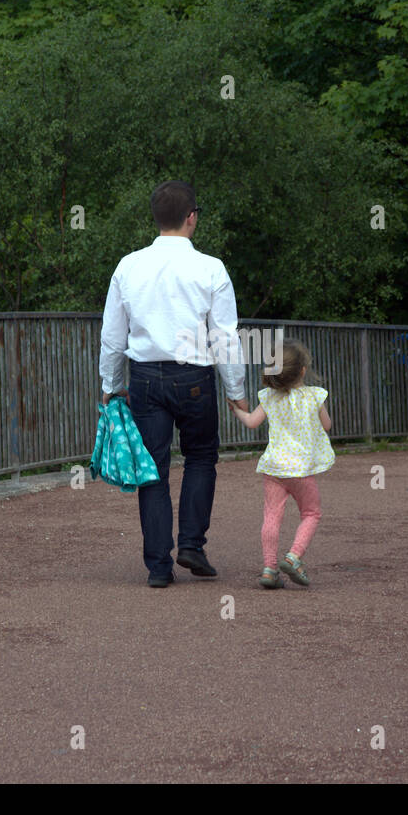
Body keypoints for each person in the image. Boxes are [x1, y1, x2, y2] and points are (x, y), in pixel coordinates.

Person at [99, 181, 248, 587]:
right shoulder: (211, 268)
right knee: (201, 459)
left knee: (153, 471)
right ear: (192, 217)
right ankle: (192, 546)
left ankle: (158, 567)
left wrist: (111, 385)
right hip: (195, 378)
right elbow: (225, 337)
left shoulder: (128, 266)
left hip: (145, 380)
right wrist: (236, 391)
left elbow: (113, 337)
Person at [228, 339, 334, 588]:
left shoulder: (269, 398)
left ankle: (269, 569)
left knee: (272, 516)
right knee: (311, 513)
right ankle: (294, 556)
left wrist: (237, 411)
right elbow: (327, 426)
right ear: (302, 371)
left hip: (274, 468)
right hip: (301, 470)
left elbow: (252, 421)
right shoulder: (314, 396)